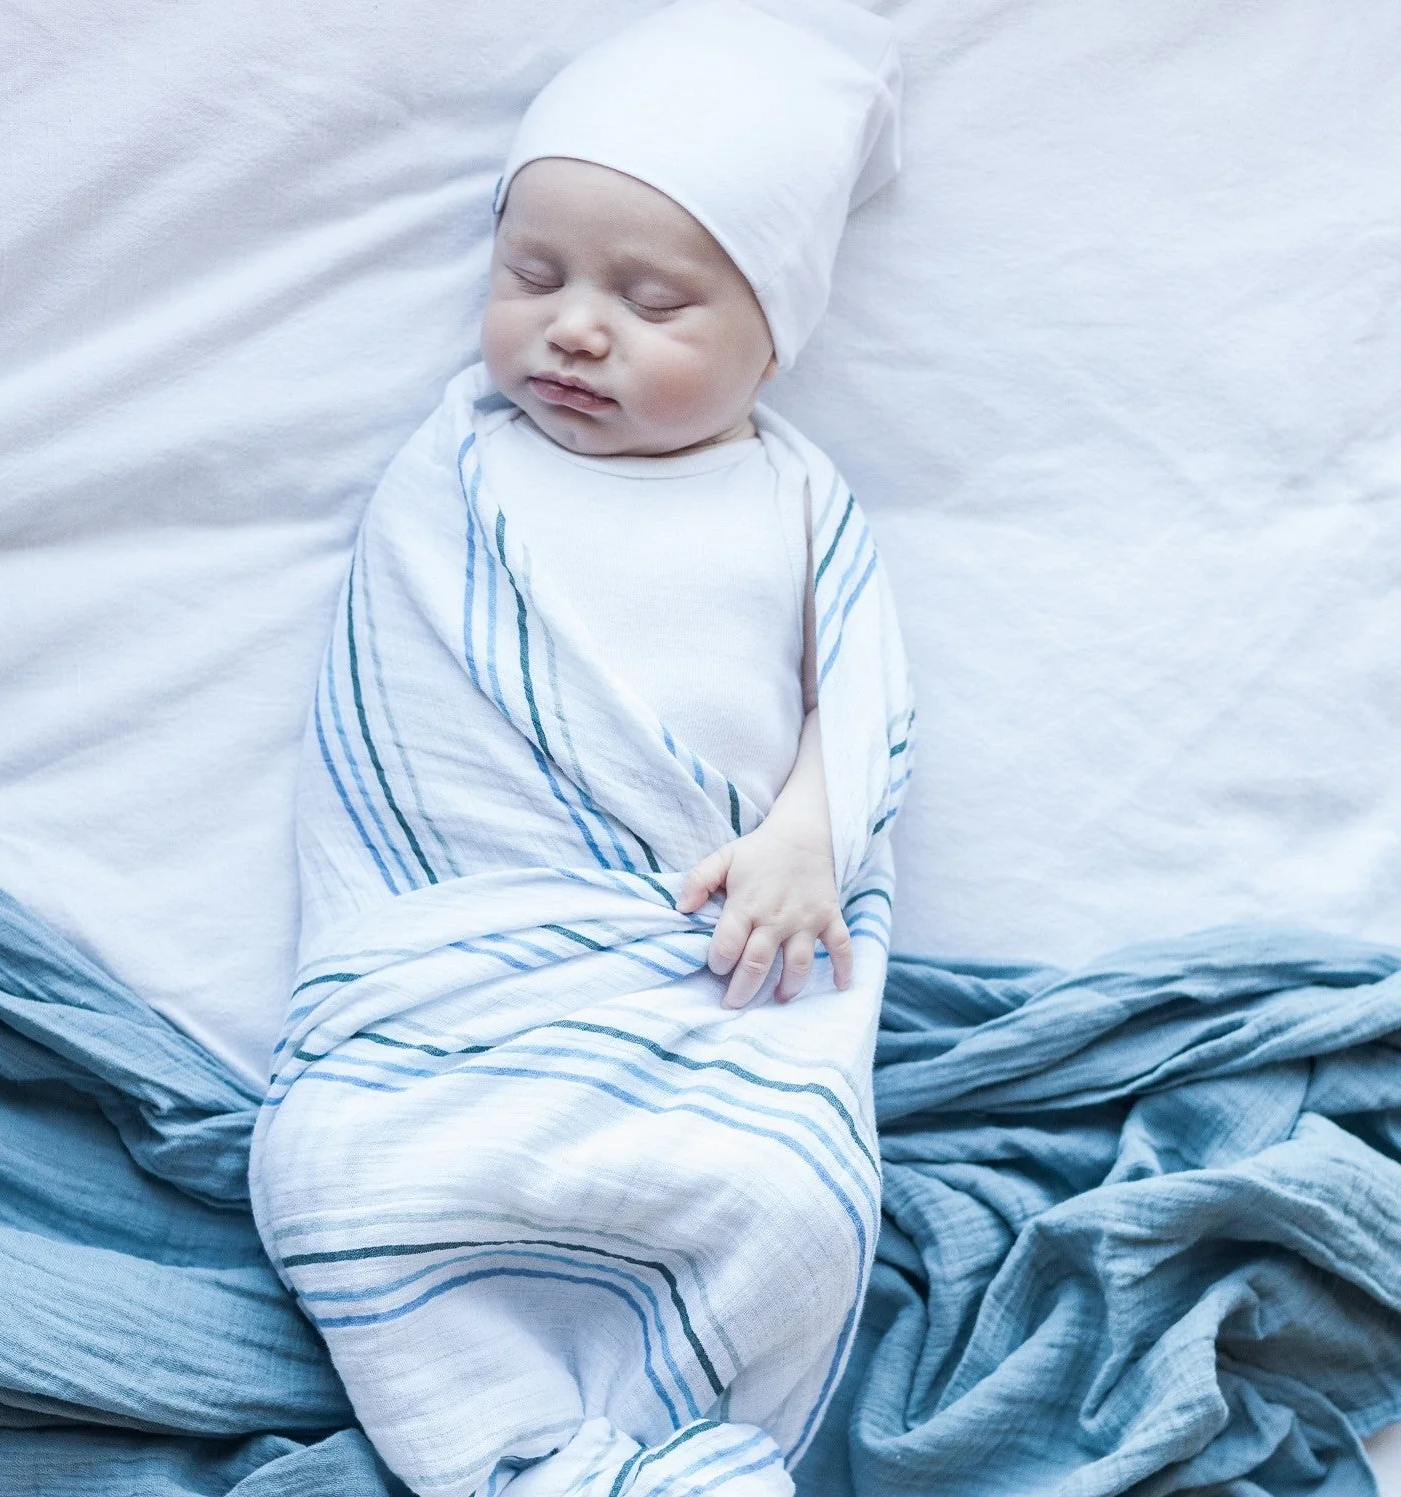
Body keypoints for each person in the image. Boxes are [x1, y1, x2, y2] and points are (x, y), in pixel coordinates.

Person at [250, 3, 913, 1494]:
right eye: (532, 275)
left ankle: (690, 1443)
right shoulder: (457, 471)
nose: (574, 327)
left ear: (773, 337)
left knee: (793, 1193)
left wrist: (809, 832)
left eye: (653, 300)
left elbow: (865, 707)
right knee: (326, 1178)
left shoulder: (798, 503)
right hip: (453, 983)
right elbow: (397, 711)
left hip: (698, 980)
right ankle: (509, 1452)